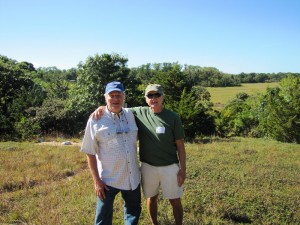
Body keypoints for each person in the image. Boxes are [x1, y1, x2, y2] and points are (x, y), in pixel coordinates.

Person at [93, 84, 186, 225]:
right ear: (146, 98)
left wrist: (183, 169)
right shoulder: (138, 113)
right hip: (147, 166)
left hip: (170, 166)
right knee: (151, 198)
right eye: (150, 95)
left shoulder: (173, 117)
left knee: (175, 200)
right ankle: (155, 223)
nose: (154, 98)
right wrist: (101, 108)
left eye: (157, 95)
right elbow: (115, 106)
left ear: (163, 97)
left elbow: (180, 145)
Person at [81, 81, 141, 225]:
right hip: (107, 180)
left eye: (118, 95)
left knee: (133, 213)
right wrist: (97, 181)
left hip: (132, 177)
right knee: (103, 217)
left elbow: (152, 107)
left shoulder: (132, 114)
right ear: (105, 97)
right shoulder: (95, 120)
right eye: (111, 96)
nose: (115, 99)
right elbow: (89, 151)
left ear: (124, 97)